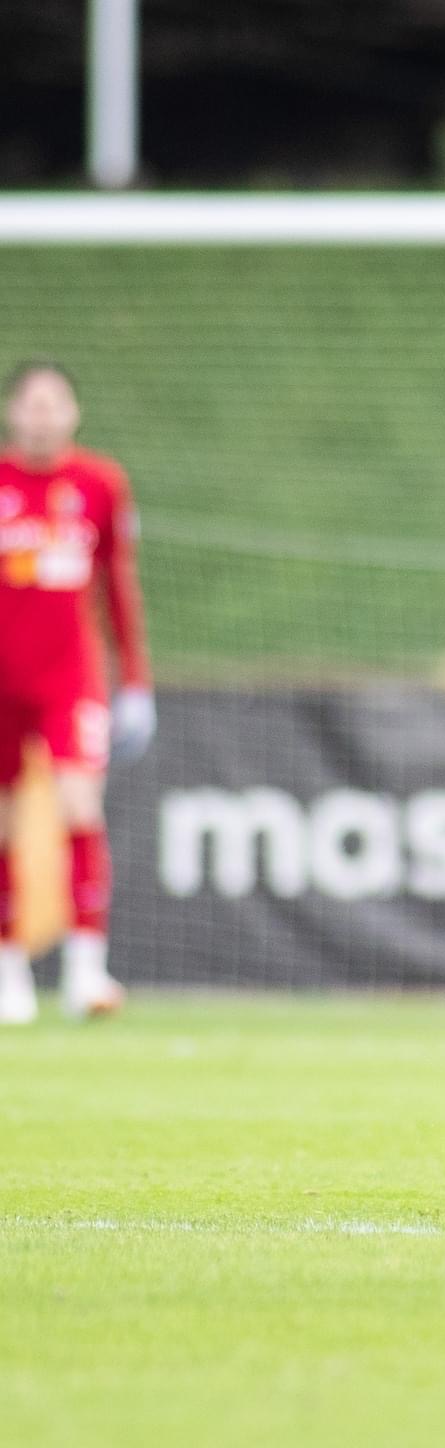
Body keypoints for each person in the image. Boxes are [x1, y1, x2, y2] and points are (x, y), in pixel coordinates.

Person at [0, 361, 155, 1025]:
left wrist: (137, 681)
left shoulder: (99, 483)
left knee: (79, 804)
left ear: (72, 413)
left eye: (53, 404)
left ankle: (87, 971)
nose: (41, 416)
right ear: (13, 412)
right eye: (30, 404)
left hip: (71, 677)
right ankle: (9, 974)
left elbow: (118, 585)